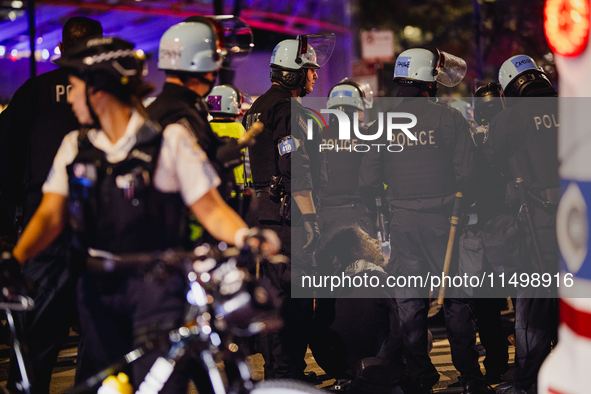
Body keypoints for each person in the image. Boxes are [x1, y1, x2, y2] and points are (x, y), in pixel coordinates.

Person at [3, 36, 278, 393]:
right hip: (96, 290)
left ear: (99, 90)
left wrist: (245, 236)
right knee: (107, 385)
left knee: (158, 384)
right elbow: (49, 215)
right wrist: (15, 259)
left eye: (74, 88)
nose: (69, 98)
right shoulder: (75, 147)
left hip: (158, 290)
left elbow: (210, 207)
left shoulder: (169, 140)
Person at [359, 47, 492, 394]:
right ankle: (470, 377)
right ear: (428, 82)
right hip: (445, 223)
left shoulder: (383, 123)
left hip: (402, 223)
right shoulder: (449, 119)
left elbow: (367, 180)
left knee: (410, 302)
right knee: (457, 300)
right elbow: (469, 173)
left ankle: (419, 375)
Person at [0, 17, 103, 393]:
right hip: (97, 238)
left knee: (35, 348)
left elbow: (6, 162)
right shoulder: (111, 98)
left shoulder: (34, 92)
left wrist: (7, 234)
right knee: (100, 346)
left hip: (43, 236)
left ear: (59, 50)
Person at [242, 34, 334, 380]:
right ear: (293, 73)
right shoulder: (288, 110)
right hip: (288, 218)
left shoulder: (256, 108)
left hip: (264, 215)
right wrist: (310, 220)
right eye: (309, 70)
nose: (313, 76)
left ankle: (278, 372)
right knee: (295, 304)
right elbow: (296, 168)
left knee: (273, 298)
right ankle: (289, 373)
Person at [485, 55, 560, 394]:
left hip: (538, 223)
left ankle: (528, 382)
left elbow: (490, 164)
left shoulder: (509, 119)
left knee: (532, 306)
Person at [147, 17, 248, 203]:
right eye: (214, 60)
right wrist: (220, 162)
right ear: (200, 64)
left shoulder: (158, 109)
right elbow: (191, 184)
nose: (215, 70)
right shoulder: (183, 115)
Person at [453, 87, 515, 385]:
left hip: (480, 228)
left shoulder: (472, 139)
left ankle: (496, 363)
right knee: (524, 298)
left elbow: (463, 178)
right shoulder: (512, 133)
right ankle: (529, 358)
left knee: (488, 305)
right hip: (511, 224)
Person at [311, 226, 406, 394]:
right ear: (356, 251)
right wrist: (380, 363)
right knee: (420, 332)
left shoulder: (331, 283)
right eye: (368, 240)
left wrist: (338, 370)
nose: (376, 242)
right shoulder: (382, 278)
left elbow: (316, 336)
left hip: (345, 368)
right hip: (378, 364)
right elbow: (399, 328)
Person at [318, 79, 375, 243]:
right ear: (358, 108)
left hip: (324, 217)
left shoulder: (317, 135)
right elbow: (374, 177)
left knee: (327, 267)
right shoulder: (368, 135)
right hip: (359, 216)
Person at [206, 84, 253, 215]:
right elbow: (249, 161)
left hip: (214, 188)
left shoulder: (206, 128)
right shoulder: (239, 129)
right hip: (238, 189)